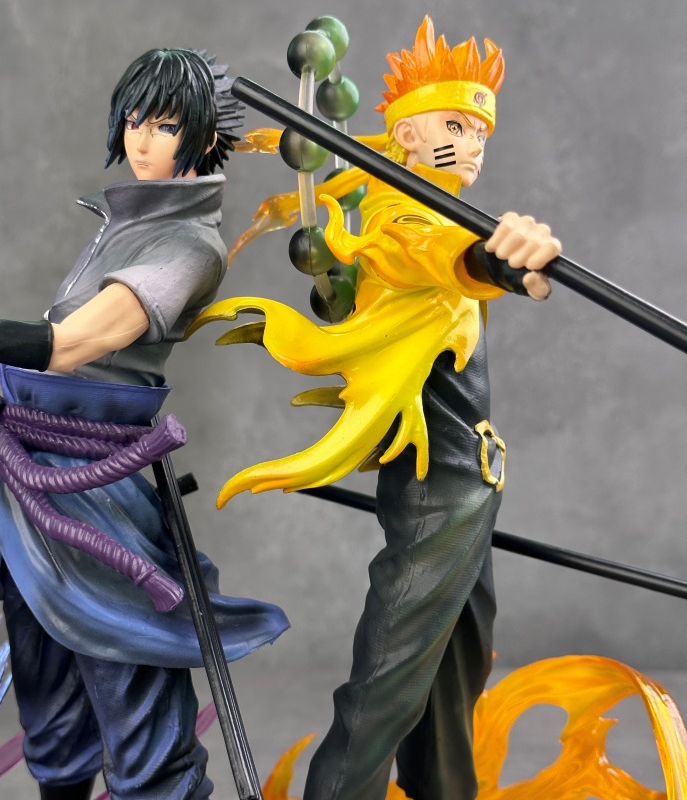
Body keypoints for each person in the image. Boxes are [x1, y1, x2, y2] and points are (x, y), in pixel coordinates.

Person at [0, 47, 288, 800]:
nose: (141, 139)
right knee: (50, 708)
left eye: (163, 125)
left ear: (202, 136)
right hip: (30, 482)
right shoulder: (122, 224)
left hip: (97, 492)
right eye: (134, 120)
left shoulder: (187, 245)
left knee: (131, 691)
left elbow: (71, 345)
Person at [188, 17, 561, 800]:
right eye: (455, 126)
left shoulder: (437, 210)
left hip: (470, 487)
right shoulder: (401, 219)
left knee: (453, 673)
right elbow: (436, 255)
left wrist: (490, 254)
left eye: (481, 131)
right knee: (389, 682)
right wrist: (498, 256)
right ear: (408, 134)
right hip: (438, 489)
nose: (474, 144)